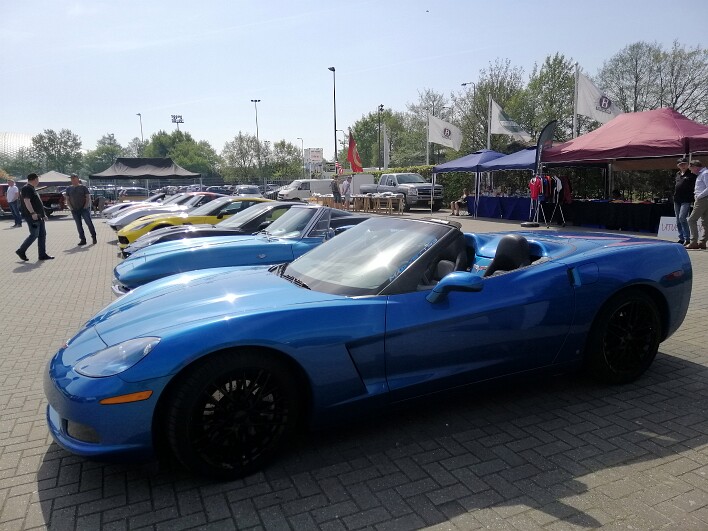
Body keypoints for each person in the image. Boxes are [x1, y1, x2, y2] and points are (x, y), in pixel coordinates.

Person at [16, 173, 54, 261]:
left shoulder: (32, 188)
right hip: (32, 216)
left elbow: (37, 203)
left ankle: (42, 254)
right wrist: (32, 213)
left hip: (39, 216)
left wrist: (43, 214)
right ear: (35, 179)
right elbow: (27, 201)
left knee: (42, 235)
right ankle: (21, 250)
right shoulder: (27, 188)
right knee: (34, 234)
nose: (38, 181)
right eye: (38, 179)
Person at [66, 174, 97, 245]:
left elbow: (87, 197)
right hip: (74, 210)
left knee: (89, 223)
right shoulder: (68, 189)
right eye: (71, 179)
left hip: (84, 209)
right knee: (79, 225)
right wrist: (71, 208)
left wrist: (85, 206)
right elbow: (67, 199)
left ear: (77, 179)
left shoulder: (83, 187)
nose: (73, 180)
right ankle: (83, 239)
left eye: (74, 178)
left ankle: (94, 237)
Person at [673, 157, 697, 244]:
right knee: (678, 220)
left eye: (684, 164)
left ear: (688, 165)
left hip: (686, 200)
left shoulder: (692, 174)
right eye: (681, 165)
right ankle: (681, 238)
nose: (683, 166)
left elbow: (695, 187)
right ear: (678, 166)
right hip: (677, 199)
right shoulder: (678, 174)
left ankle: (687, 238)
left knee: (682, 218)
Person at [686, 160, 708, 250]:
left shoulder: (705, 173)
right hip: (704, 199)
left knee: (691, 220)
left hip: (703, 199)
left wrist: (699, 196)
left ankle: (693, 242)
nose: (691, 172)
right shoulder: (703, 173)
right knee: (705, 222)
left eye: (691, 169)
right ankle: (702, 242)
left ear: (695, 167)